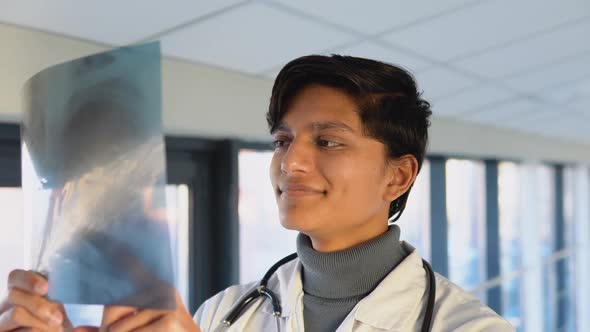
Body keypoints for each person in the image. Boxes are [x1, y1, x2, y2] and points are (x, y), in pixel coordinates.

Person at [0, 55, 514, 331]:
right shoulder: (222, 313)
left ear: (397, 177)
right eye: (283, 140)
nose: (291, 161)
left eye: (327, 141)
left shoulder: (467, 328)